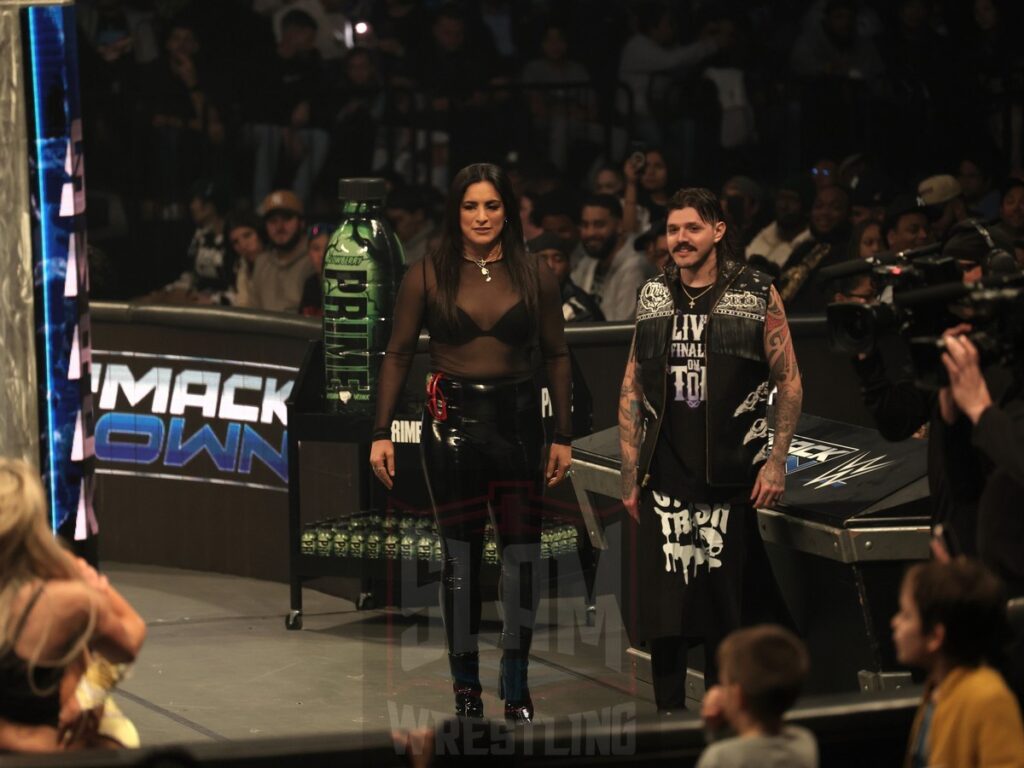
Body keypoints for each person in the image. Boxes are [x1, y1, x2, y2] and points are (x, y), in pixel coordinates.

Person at [369, 163, 572, 724]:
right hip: (450, 427)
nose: (481, 217)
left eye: (491, 205)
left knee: (522, 562)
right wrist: (380, 432)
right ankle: (465, 689)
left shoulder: (535, 273)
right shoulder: (427, 272)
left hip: (519, 424)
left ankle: (516, 684)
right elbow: (398, 354)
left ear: (508, 210)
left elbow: (557, 355)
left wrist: (563, 435)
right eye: (470, 206)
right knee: (459, 562)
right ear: (454, 211)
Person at [618, 187, 802, 710]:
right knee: (665, 619)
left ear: (718, 231)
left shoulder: (756, 290)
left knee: (728, 615)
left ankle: (729, 715)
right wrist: (630, 471)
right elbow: (632, 384)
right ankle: (669, 718)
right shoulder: (653, 293)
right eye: (673, 230)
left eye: (692, 228)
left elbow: (788, 381)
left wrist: (775, 460)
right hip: (665, 474)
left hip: (729, 475)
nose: (680, 239)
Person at [0, 459, 146, 750]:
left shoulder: (64, 588)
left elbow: (131, 631)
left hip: (48, 748)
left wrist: (89, 693)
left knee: (122, 739)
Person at [893, 559, 1024, 768]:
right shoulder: (938, 690)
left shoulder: (988, 698)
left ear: (936, 637)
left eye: (906, 615)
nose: (895, 622)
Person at [698, 625, 818, 768]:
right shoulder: (804, 742)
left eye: (724, 684)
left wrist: (711, 728)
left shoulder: (719, 758)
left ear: (738, 696)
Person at [571, 194, 647, 321]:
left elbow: (623, 330)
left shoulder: (634, 268)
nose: (590, 233)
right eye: (585, 225)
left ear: (619, 226)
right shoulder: (587, 263)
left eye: (599, 225)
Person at [249, 189, 314, 312]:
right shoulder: (262, 261)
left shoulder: (314, 258)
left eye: (287, 218)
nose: (279, 227)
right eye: (273, 221)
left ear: (302, 223)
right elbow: (253, 311)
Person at [528, 232, 603, 323]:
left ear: (568, 266)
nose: (550, 265)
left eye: (558, 259)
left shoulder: (579, 308)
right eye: (542, 259)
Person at [224, 211, 267, 309]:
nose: (243, 245)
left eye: (247, 235)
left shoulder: (276, 263)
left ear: (260, 232)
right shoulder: (241, 266)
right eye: (235, 242)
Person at [298, 222, 332, 317]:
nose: (322, 255)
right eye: (316, 249)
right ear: (308, 252)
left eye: (327, 248)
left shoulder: (346, 285)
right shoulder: (310, 284)